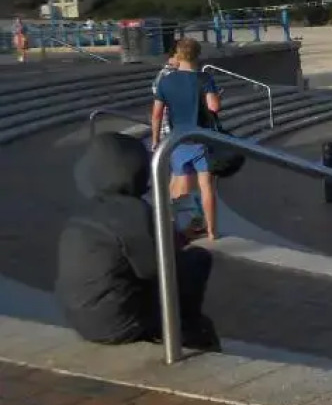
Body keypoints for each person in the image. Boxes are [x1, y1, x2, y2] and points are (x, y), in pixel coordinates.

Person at [55, 132, 219, 350]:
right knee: (197, 260)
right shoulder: (133, 212)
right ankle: (183, 328)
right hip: (118, 323)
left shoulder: (83, 212)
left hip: (79, 317)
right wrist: (176, 241)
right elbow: (157, 269)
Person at [151, 38, 222, 241]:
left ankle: (172, 226)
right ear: (197, 55)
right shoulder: (204, 79)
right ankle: (212, 230)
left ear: (179, 55)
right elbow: (214, 107)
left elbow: (156, 114)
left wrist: (156, 139)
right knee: (206, 186)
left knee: (180, 186)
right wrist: (217, 97)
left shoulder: (165, 81)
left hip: (177, 140)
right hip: (202, 137)